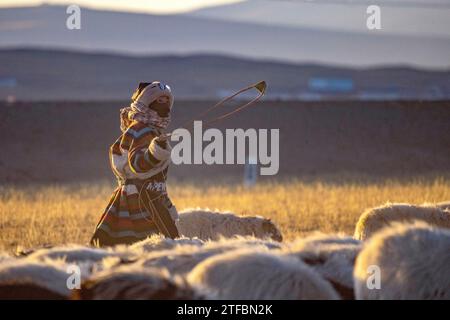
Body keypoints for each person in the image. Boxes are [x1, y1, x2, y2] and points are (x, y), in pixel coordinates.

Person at [90, 81, 180, 246]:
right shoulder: (140, 129)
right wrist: (155, 151)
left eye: (167, 101)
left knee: (165, 245)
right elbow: (137, 164)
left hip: (153, 196)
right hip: (141, 200)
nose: (165, 105)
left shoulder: (151, 130)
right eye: (160, 101)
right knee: (144, 246)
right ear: (148, 102)